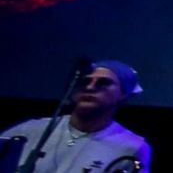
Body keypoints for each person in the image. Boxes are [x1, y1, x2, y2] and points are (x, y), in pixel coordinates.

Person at [1, 61, 153, 172]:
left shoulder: (132, 147)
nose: (90, 87)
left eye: (103, 83)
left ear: (123, 94)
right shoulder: (29, 130)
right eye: (85, 81)